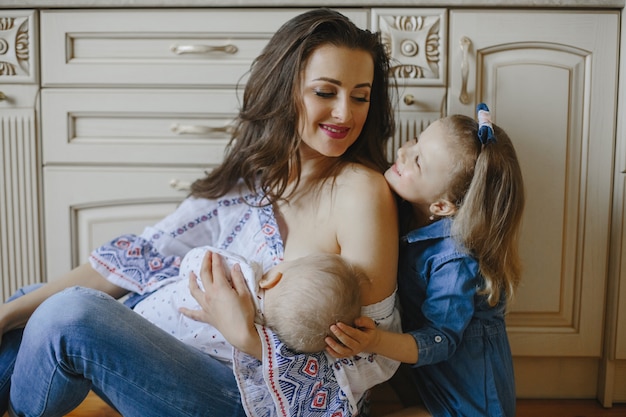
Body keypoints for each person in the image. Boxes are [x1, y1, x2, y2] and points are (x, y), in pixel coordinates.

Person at [0, 8, 401, 417]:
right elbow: (139, 256)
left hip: (249, 398)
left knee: (70, 315)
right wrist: (7, 314)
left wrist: (247, 336)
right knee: (24, 305)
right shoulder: (255, 177)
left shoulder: (361, 192)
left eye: (360, 96)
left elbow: (368, 359)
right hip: (183, 352)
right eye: (326, 92)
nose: (344, 114)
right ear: (286, 90)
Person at [327, 104, 525, 417]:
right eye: (416, 140)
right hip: (430, 389)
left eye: (418, 161)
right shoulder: (411, 210)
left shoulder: (455, 260)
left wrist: (374, 340)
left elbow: (440, 339)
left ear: (443, 206)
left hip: (466, 408)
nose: (404, 152)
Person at [137, 246, 365, 355]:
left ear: (272, 279)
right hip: (160, 348)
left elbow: (193, 261)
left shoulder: (243, 273)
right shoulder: (257, 342)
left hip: (149, 309)